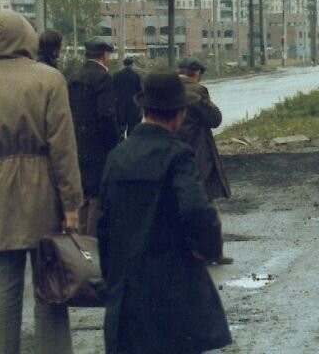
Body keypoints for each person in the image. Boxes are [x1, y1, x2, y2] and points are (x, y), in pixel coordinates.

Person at [99, 71, 232, 354]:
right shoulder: (178, 155)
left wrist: (112, 279)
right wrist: (207, 250)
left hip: (128, 291)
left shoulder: (117, 157)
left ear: (144, 109)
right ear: (178, 113)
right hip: (172, 286)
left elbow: (104, 223)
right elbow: (199, 210)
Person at [0, 9, 83, 354]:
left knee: (4, 285)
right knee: (51, 285)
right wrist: (72, 205)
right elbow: (63, 148)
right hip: (42, 190)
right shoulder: (48, 79)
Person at [176, 57, 232, 264]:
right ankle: (213, 252)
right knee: (207, 205)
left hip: (171, 153)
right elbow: (214, 119)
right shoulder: (198, 91)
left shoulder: (167, 88)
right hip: (197, 155)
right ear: (197, 73)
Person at [67, 38, 120, 235]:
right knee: (98, 194)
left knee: (83, 193)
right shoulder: (103, 78)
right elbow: (106, 115)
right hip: (99, 146)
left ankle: (80, 242)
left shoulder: (74, 77)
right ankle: (92, 240)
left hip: (78, 144)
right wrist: (114, 143)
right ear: (104, 56)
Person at [112, 57, 143, 137]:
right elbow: (139, 91)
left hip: (119, 104)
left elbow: (113, 90)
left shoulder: (116, 76)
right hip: (132, 105)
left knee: (120, 125)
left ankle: (120, 139)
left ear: (123, 64)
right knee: (132, 126)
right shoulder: (136, 76)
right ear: (132, 64)